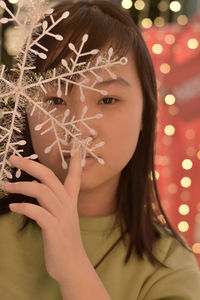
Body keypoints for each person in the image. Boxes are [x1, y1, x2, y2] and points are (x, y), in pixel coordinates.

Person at [0, 1, 200, 299]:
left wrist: (73, 269)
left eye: (107, 100)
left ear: (146, 112)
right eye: (55, 100)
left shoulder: (171, 268)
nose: (79, 127)